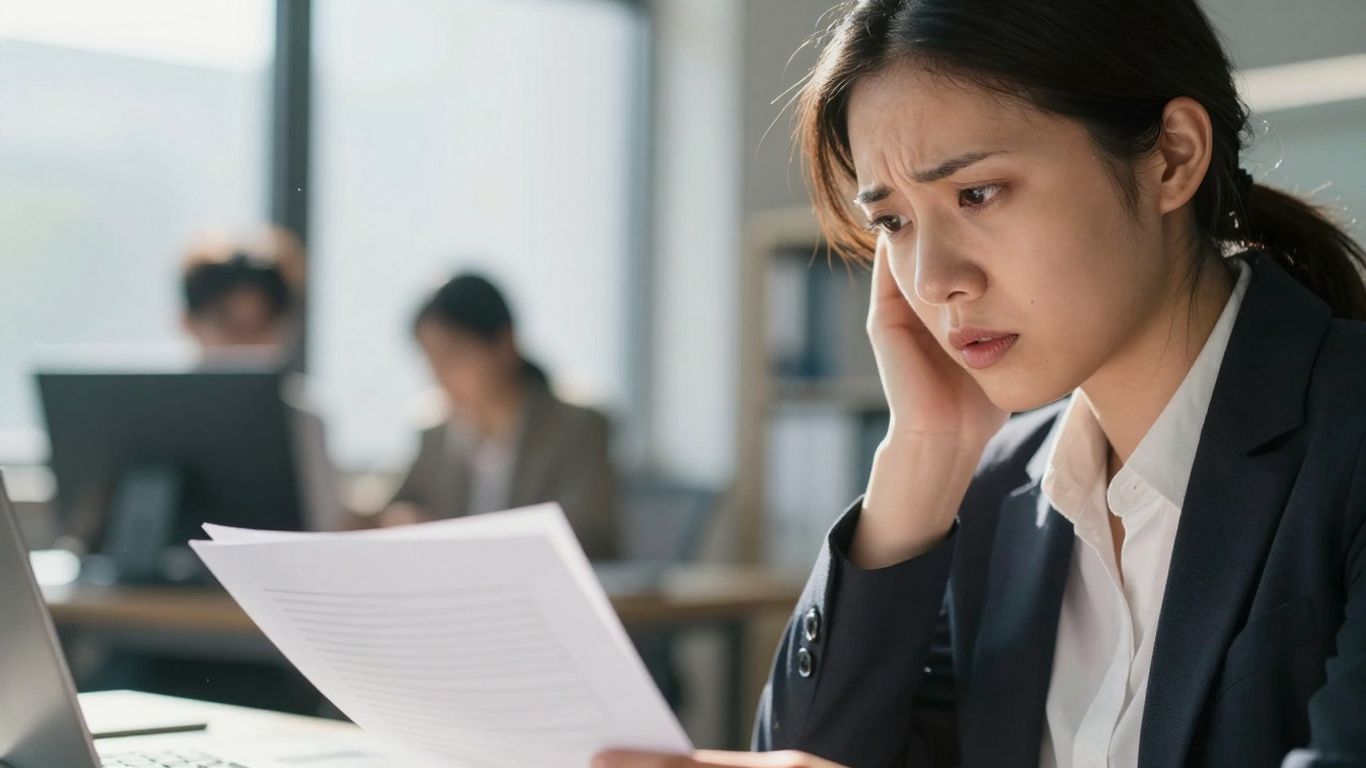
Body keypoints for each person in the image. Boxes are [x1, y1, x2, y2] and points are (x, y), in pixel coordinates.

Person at [595, 1, 1366, 766]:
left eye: (977, 194)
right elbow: (818, 753)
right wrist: (925, 455)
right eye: (893, 222)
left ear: (1172, 157)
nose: (932, 280)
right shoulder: (996, 497)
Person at [383, 273, 619, 560]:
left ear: (505, 345)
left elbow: (585, 536)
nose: (440, 376)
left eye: (454, 356)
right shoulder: (436, 432)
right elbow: (404, 504)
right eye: (432, 360)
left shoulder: (578, 428)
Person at [179, 227, 343, 532]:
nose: (246, 341)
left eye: (262, 324)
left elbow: (324, 524)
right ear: (189, 322)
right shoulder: (155, 411)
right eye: (228, 323)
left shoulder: (304, 415)